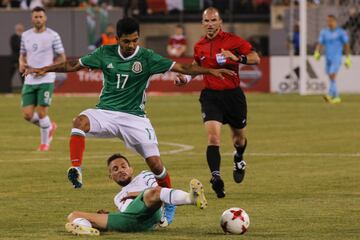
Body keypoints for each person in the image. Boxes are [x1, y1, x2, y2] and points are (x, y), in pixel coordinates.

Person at [25, 17, 233, 223]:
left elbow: (184, 68)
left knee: (156, 165)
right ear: (117, 39)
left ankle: (169, 206)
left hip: (135, 118)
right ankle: (76, 169)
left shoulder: (147, 57)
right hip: (105, 112)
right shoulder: (104, 53)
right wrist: (46, 69)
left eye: (135, 40)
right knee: (79, 122)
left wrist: (210, 71)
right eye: (126, 41)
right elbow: (73, 65)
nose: (131, 45)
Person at [180, 7, 260, 198]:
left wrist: (238, 58)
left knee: (238, 140)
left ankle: (239, 158)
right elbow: (197, 68)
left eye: (213, 20)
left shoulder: (233, 40)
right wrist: (185, 79)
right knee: (213, 138)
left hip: (233, 96)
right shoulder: (199, 46)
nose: (209, 24)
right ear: (202, 24)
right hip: (211, 96)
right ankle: (216, 177)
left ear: (220, 22)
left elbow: (255, 58)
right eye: (206, 21)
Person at [65, 153, 207, 236]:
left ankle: (191, 198)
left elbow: (161, 191)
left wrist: (136, 194)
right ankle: (86, 230)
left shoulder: (145, 175)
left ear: (131, 170)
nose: (120, 170)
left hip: (150, 216)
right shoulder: (117, 197)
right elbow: (128, 212)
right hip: (130, 221)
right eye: (115, 169)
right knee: (73, 215)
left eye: (123, 167)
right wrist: (109, 214)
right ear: (110, 176)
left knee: (153, 192)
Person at [19, 7, 66, 151]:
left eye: (40, 16)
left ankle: (44, 144)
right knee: (27, 115)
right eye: (36, 17)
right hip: (30, 80)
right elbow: (22, 54)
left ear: (45, 18)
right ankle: (49, 126)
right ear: (31, 19)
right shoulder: (25, 35)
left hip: (46, 79)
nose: (38, 19)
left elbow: (62, 57)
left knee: (41, 113)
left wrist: (47, 69)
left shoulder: (53, 35)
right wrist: (21, 63)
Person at [314, 15, 351, 104]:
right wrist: (317, 52)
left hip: (337, 57)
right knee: (330, 76)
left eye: (330, 21)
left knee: (332, 74)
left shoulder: (341, 32)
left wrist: (348, 58)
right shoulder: (324, 32)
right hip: (328, 57)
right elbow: (320, 43)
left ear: (335, 21)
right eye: (328, 21)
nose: (329, 23)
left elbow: (346, 45)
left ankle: (333, 95)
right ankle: (333, 95)